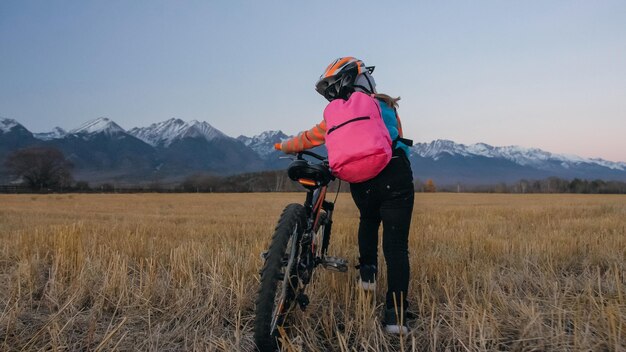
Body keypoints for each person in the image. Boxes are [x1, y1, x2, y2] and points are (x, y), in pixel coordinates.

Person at [274, 57, 415, 334]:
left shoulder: (335, 115)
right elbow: (397, 136)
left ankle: (367, 275)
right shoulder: (383, 105)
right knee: (396, 247)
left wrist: (283, 145)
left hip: (361, 182)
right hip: (394, 175)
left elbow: (306, 139)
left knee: (368, 220)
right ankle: (395, 318)